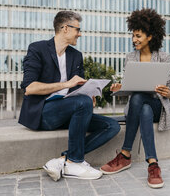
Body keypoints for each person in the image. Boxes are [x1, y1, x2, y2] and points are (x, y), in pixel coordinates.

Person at [19, 11, 120, 181]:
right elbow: (29, 88)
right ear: (65, 28)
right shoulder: (38, 49)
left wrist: (89, 92)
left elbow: (75, 91)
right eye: (77, 29)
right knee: (82, 102)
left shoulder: (76, 56)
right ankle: (75, 162)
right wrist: (66, 84)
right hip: (43, 113)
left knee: (112, 126)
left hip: (69, 111)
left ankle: (64, 159)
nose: (80, 34)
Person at [100, 8, 170, 189]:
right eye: (133, 36)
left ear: (150, 36)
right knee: (142, 105)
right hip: (140, 107)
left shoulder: (163, 57)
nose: (134, 40)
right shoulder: (130, 57)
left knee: (144, 102)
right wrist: (120, 88)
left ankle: (125, 154)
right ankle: (153, 164)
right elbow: (130, 86)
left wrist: (166, 92)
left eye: (138, 36)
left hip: (158, 105)